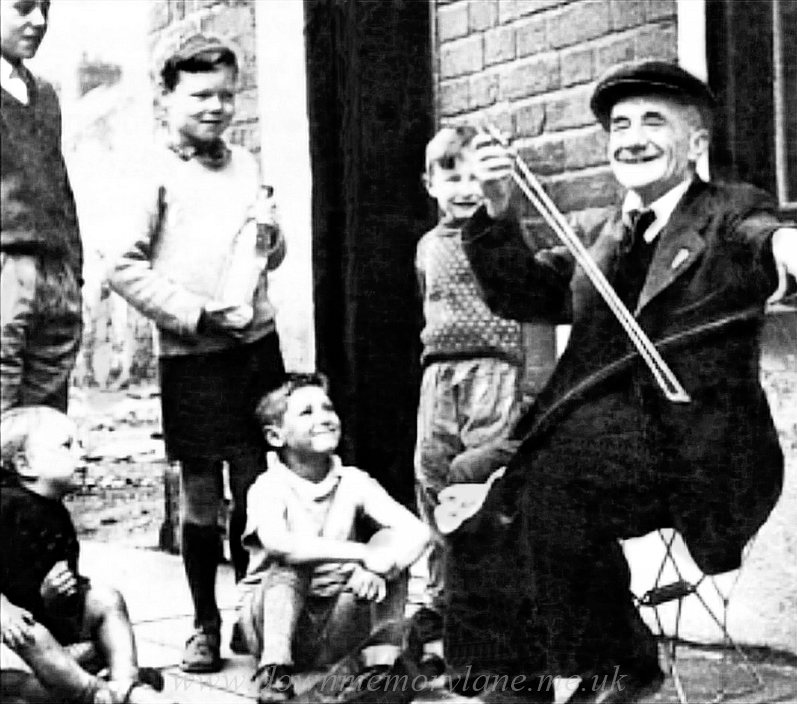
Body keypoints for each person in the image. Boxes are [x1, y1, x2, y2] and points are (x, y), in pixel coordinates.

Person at [442, 60, 797, 703]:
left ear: (695, 143)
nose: (631, 139)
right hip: (591, 439)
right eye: (620, 126)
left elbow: (761, 237)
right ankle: (510, 680)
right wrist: (498, 207)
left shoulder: (725, 211)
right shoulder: (602, 233)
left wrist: (786, 248)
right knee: (471, 482)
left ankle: (619, 664)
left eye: (653, 123)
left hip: (696, 447)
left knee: (551, 477)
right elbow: (526, 293)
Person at [107, 30, 287, 674]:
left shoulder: (246, 164)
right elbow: (122, 267)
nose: (216, 107)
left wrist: (272, 238)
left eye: (227, 95)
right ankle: (203, 622)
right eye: (200, 95)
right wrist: (197, 313)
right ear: (166, 98)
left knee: (260, 485)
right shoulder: (150, 170)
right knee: (203, 491)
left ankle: (252, 616)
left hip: (255, 347)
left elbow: (266, 254)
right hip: (194, 355)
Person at [235, 373, 431, 703]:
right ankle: (273, 672)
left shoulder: (352, 480)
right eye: (306, 412)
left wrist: (377, 565)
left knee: (391, 557)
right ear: (275, 436)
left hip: (335, 622)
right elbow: (281, 544)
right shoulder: (267, 487)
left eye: (328, 408)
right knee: (290, 566)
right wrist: (360, 553)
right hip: (274, 624)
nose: (324, 418)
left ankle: (379, 666)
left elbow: (418, 531)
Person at [413, 126, 525, 629]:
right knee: (432, 469)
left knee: (479, 474)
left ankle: (484, 593)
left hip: (493, 366)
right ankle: (442, 592)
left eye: (476, 178)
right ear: (430, 184)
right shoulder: (426, 246)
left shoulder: (500, 234)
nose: (465, 189)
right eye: (452, 178)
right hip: (439, 369)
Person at [0, 406, 172, 704]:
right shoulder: (5, 505)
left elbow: (48, 596)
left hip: (42, 634)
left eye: (80, 444)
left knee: (106, 599)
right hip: (10, 638)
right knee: (30, 634)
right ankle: (96, 694)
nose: (83, 454)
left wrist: (52, 598)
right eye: (67, 445)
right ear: (25, 465)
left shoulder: (53, 510)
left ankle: (123, 681)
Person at [1, 0, 83, 415]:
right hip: (7, 270)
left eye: (45, 8)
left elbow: (58, 186)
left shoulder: (45, 94)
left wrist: (74, 271)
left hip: (54, 273)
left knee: (46, 417)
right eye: (23, 7)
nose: (38, 20)